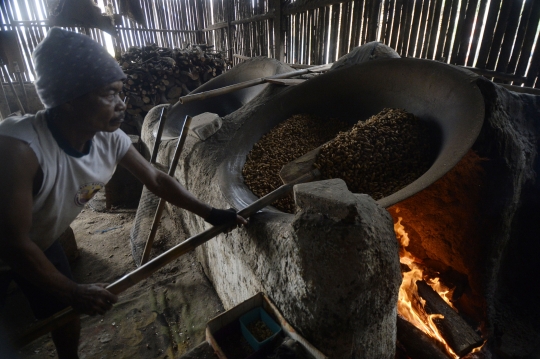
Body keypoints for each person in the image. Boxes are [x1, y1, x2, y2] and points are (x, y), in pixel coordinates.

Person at [0, 28, 247, 358]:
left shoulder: (107, 138)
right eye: (109, 94)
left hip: (40, 241)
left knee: (61, 314)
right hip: (9, 245)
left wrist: (210, 213)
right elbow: (13, 245)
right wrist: (75, 291)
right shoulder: (20, 148)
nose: (121, 104)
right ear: (70, 100)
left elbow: (156, 181)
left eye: (121, 93)